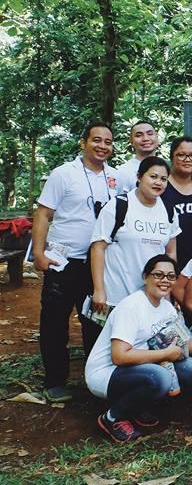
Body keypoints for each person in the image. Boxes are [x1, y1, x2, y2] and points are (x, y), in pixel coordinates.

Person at [85, 255, 192, 442]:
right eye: (158, 275)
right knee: (160, 377)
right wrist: (165, 354)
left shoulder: (167, 308)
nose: (165, 280)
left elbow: (186, 341)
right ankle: (112, 417)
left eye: (171, 276)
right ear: (145, 277)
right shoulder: (131, 306)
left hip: (140, 367)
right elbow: (119, 356)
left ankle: (139, 406)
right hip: (107, 372)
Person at [32, 122, 119, 402]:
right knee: (55, 321)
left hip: (98, 264)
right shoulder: (63, 174)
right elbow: (43, 214)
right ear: (83, 143)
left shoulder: (115, 178)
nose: (102, 146)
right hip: (63, 261)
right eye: (96, 140)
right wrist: (39, 254)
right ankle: (55, 381)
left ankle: (95, 380)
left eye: (108, 142)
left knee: (95, 322)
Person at [90, 158, 182, 318]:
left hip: (152, 297)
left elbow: (171, 252)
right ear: (139, 177)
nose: (158, 182)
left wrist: (167, 292)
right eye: (153, 176)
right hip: (117, 296)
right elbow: (98, 247)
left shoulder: (169, 210)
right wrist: (99, 290)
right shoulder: (118, 205)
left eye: (163, 179)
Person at [161, 137, 192, 272]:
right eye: (181, 155)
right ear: (172, 157)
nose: (187, 159)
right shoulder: (162, 187)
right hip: (165, 263)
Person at [114, 120, 159, 193]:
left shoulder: (167, 168)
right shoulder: (124, 171)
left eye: (150, 134)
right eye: (139, 135)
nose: (145, 139)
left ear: (157, 137)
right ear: (131, 141)